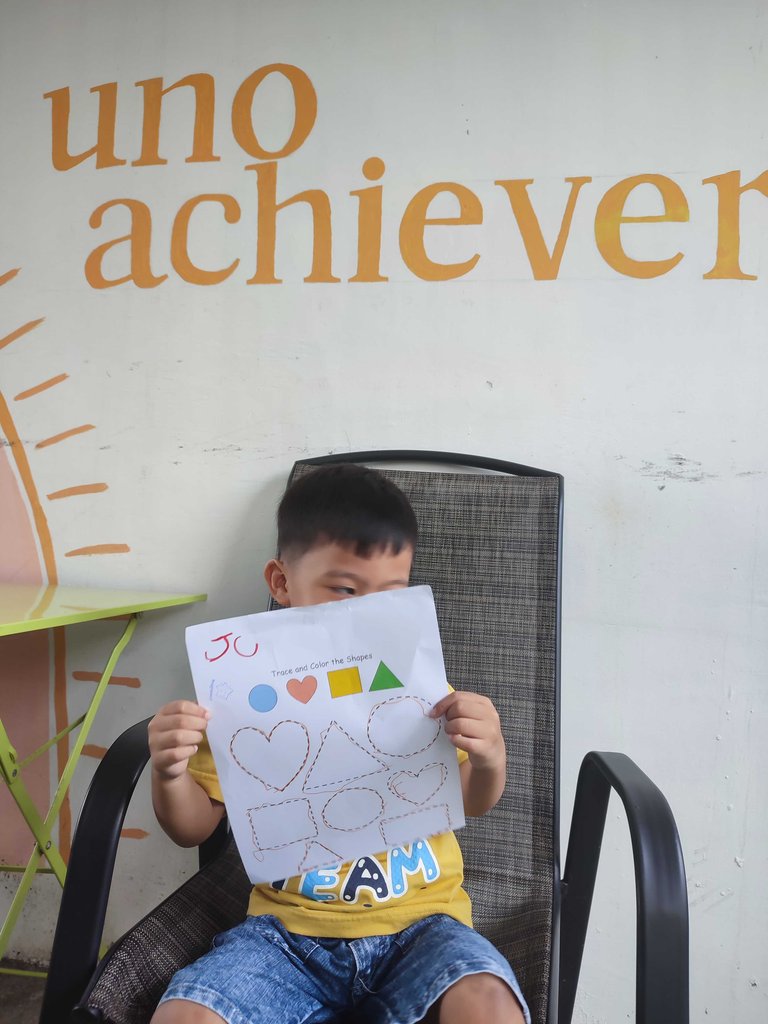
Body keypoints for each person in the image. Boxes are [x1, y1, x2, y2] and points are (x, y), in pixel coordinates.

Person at [148, 464, 529, 1024]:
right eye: (345, 590)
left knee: (488, 1003)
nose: (365, 612)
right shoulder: (240, 701)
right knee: (187, 1014)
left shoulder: (420, 688)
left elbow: (470, 800)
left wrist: (491, 755)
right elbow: (193, 829)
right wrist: (169, 772)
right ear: (281, 582)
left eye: (391, 594)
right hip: (284, 937)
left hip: (424, 925)